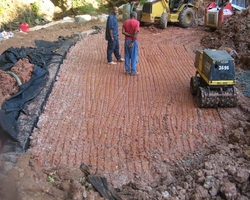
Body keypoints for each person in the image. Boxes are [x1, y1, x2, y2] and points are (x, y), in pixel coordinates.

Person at [122, 11, 140, 75]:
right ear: (134, 16)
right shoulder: (137, 22)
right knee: (134, 56)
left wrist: (129, 35)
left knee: (127, 55)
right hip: (134, 41)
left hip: (126, 40)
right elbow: (135, 33)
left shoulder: (125, 22)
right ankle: (133, 71)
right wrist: (132, 41)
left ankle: (127, 71)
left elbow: (123, 32)